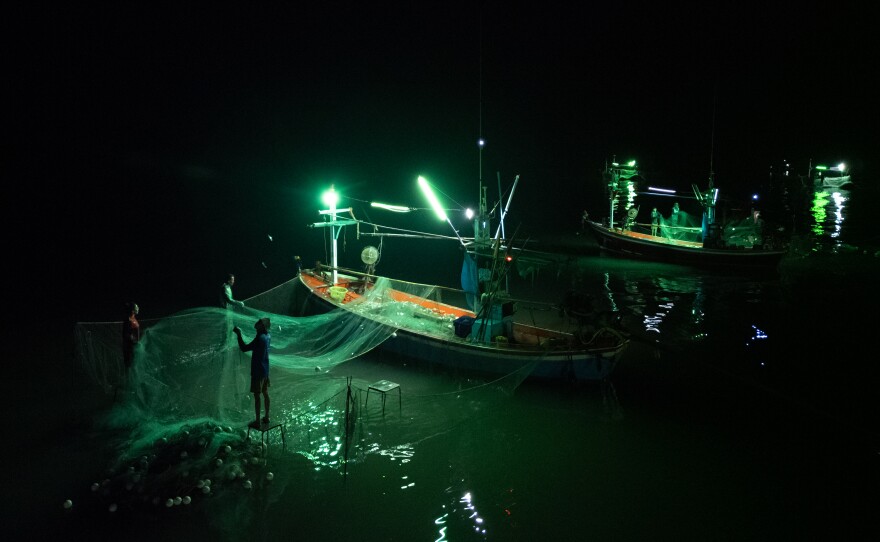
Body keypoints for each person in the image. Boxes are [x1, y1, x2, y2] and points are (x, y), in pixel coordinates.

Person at [234, 317, 271, 429]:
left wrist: (239, 334)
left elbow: (244, 348)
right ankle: (267, 417)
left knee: (257, 396)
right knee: (265, 393)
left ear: (262, 326)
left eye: (259, 323)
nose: (256, 324)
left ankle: (258, 422)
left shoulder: (259, 338)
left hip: (257, 371)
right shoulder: (268, 336)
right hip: (265, 370)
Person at [122, 302, 140, 372]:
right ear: (132, 310)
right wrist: (134, 341)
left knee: (134, 365)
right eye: (136, 307)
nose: (138, 308)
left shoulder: (134, 319)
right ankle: (129, 381)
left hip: (134, 346)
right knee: (129, 366)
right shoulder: (128, 320)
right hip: (129, 347)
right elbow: (125, 334)